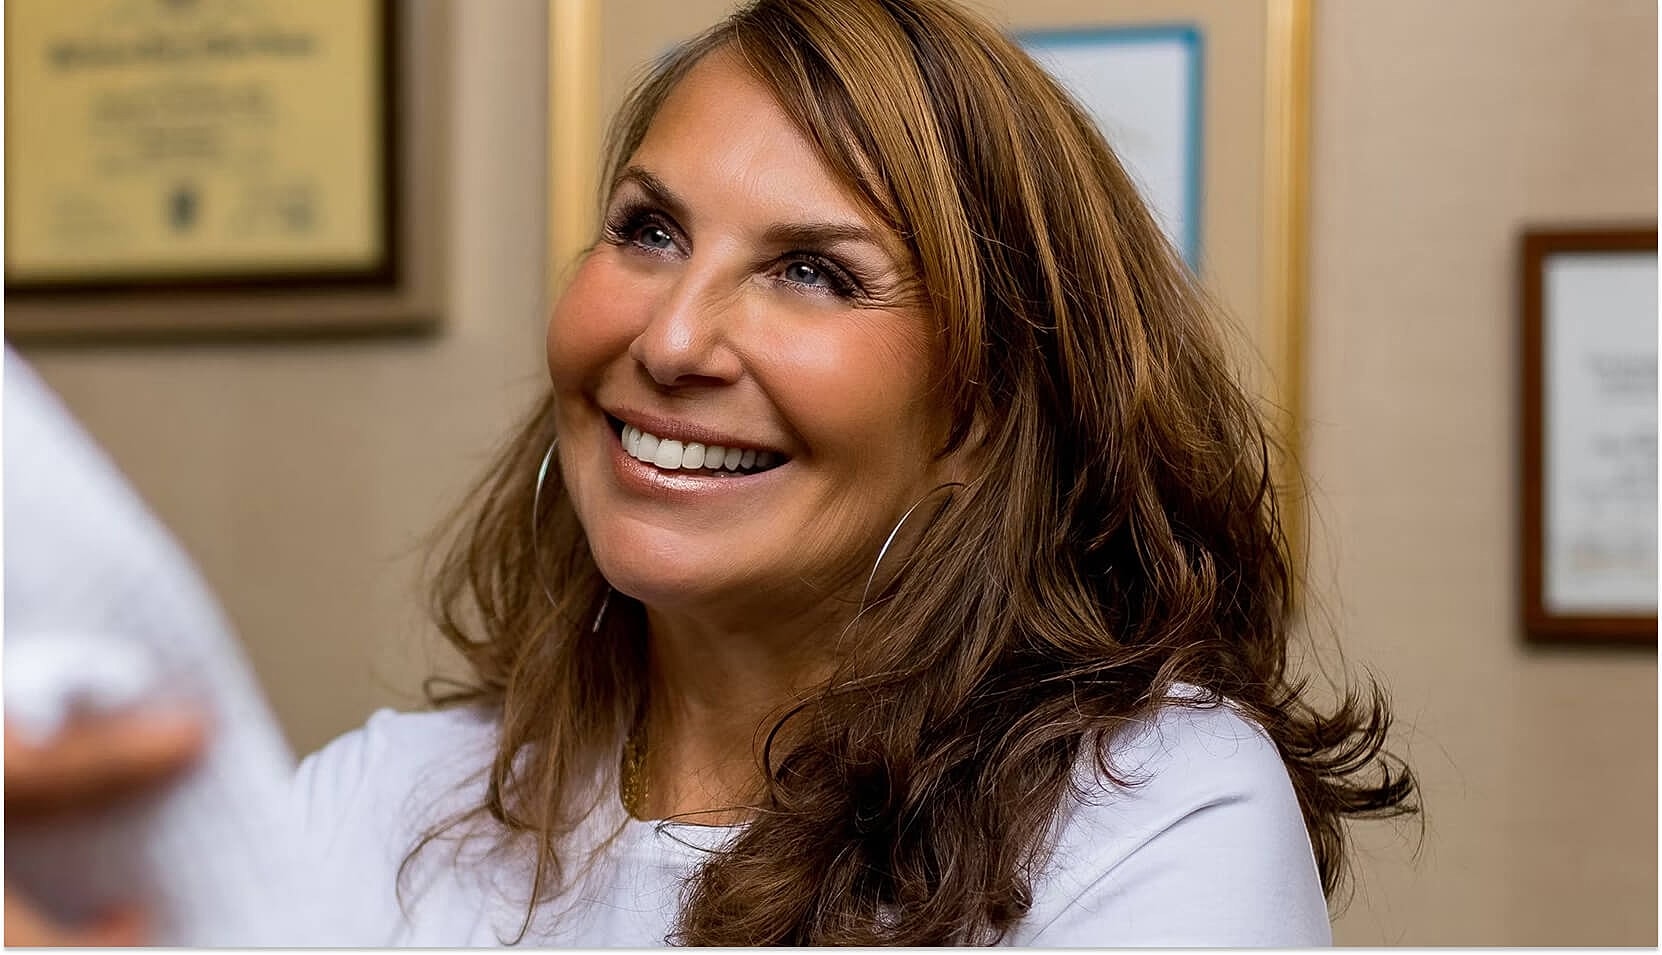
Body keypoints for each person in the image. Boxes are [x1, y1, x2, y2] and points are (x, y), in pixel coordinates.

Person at [16, 0, 1417, 944]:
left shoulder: (1155, 811)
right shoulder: (384, 802)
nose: (672, 338)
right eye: (646, 231)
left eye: (810, 272)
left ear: (984, 408)